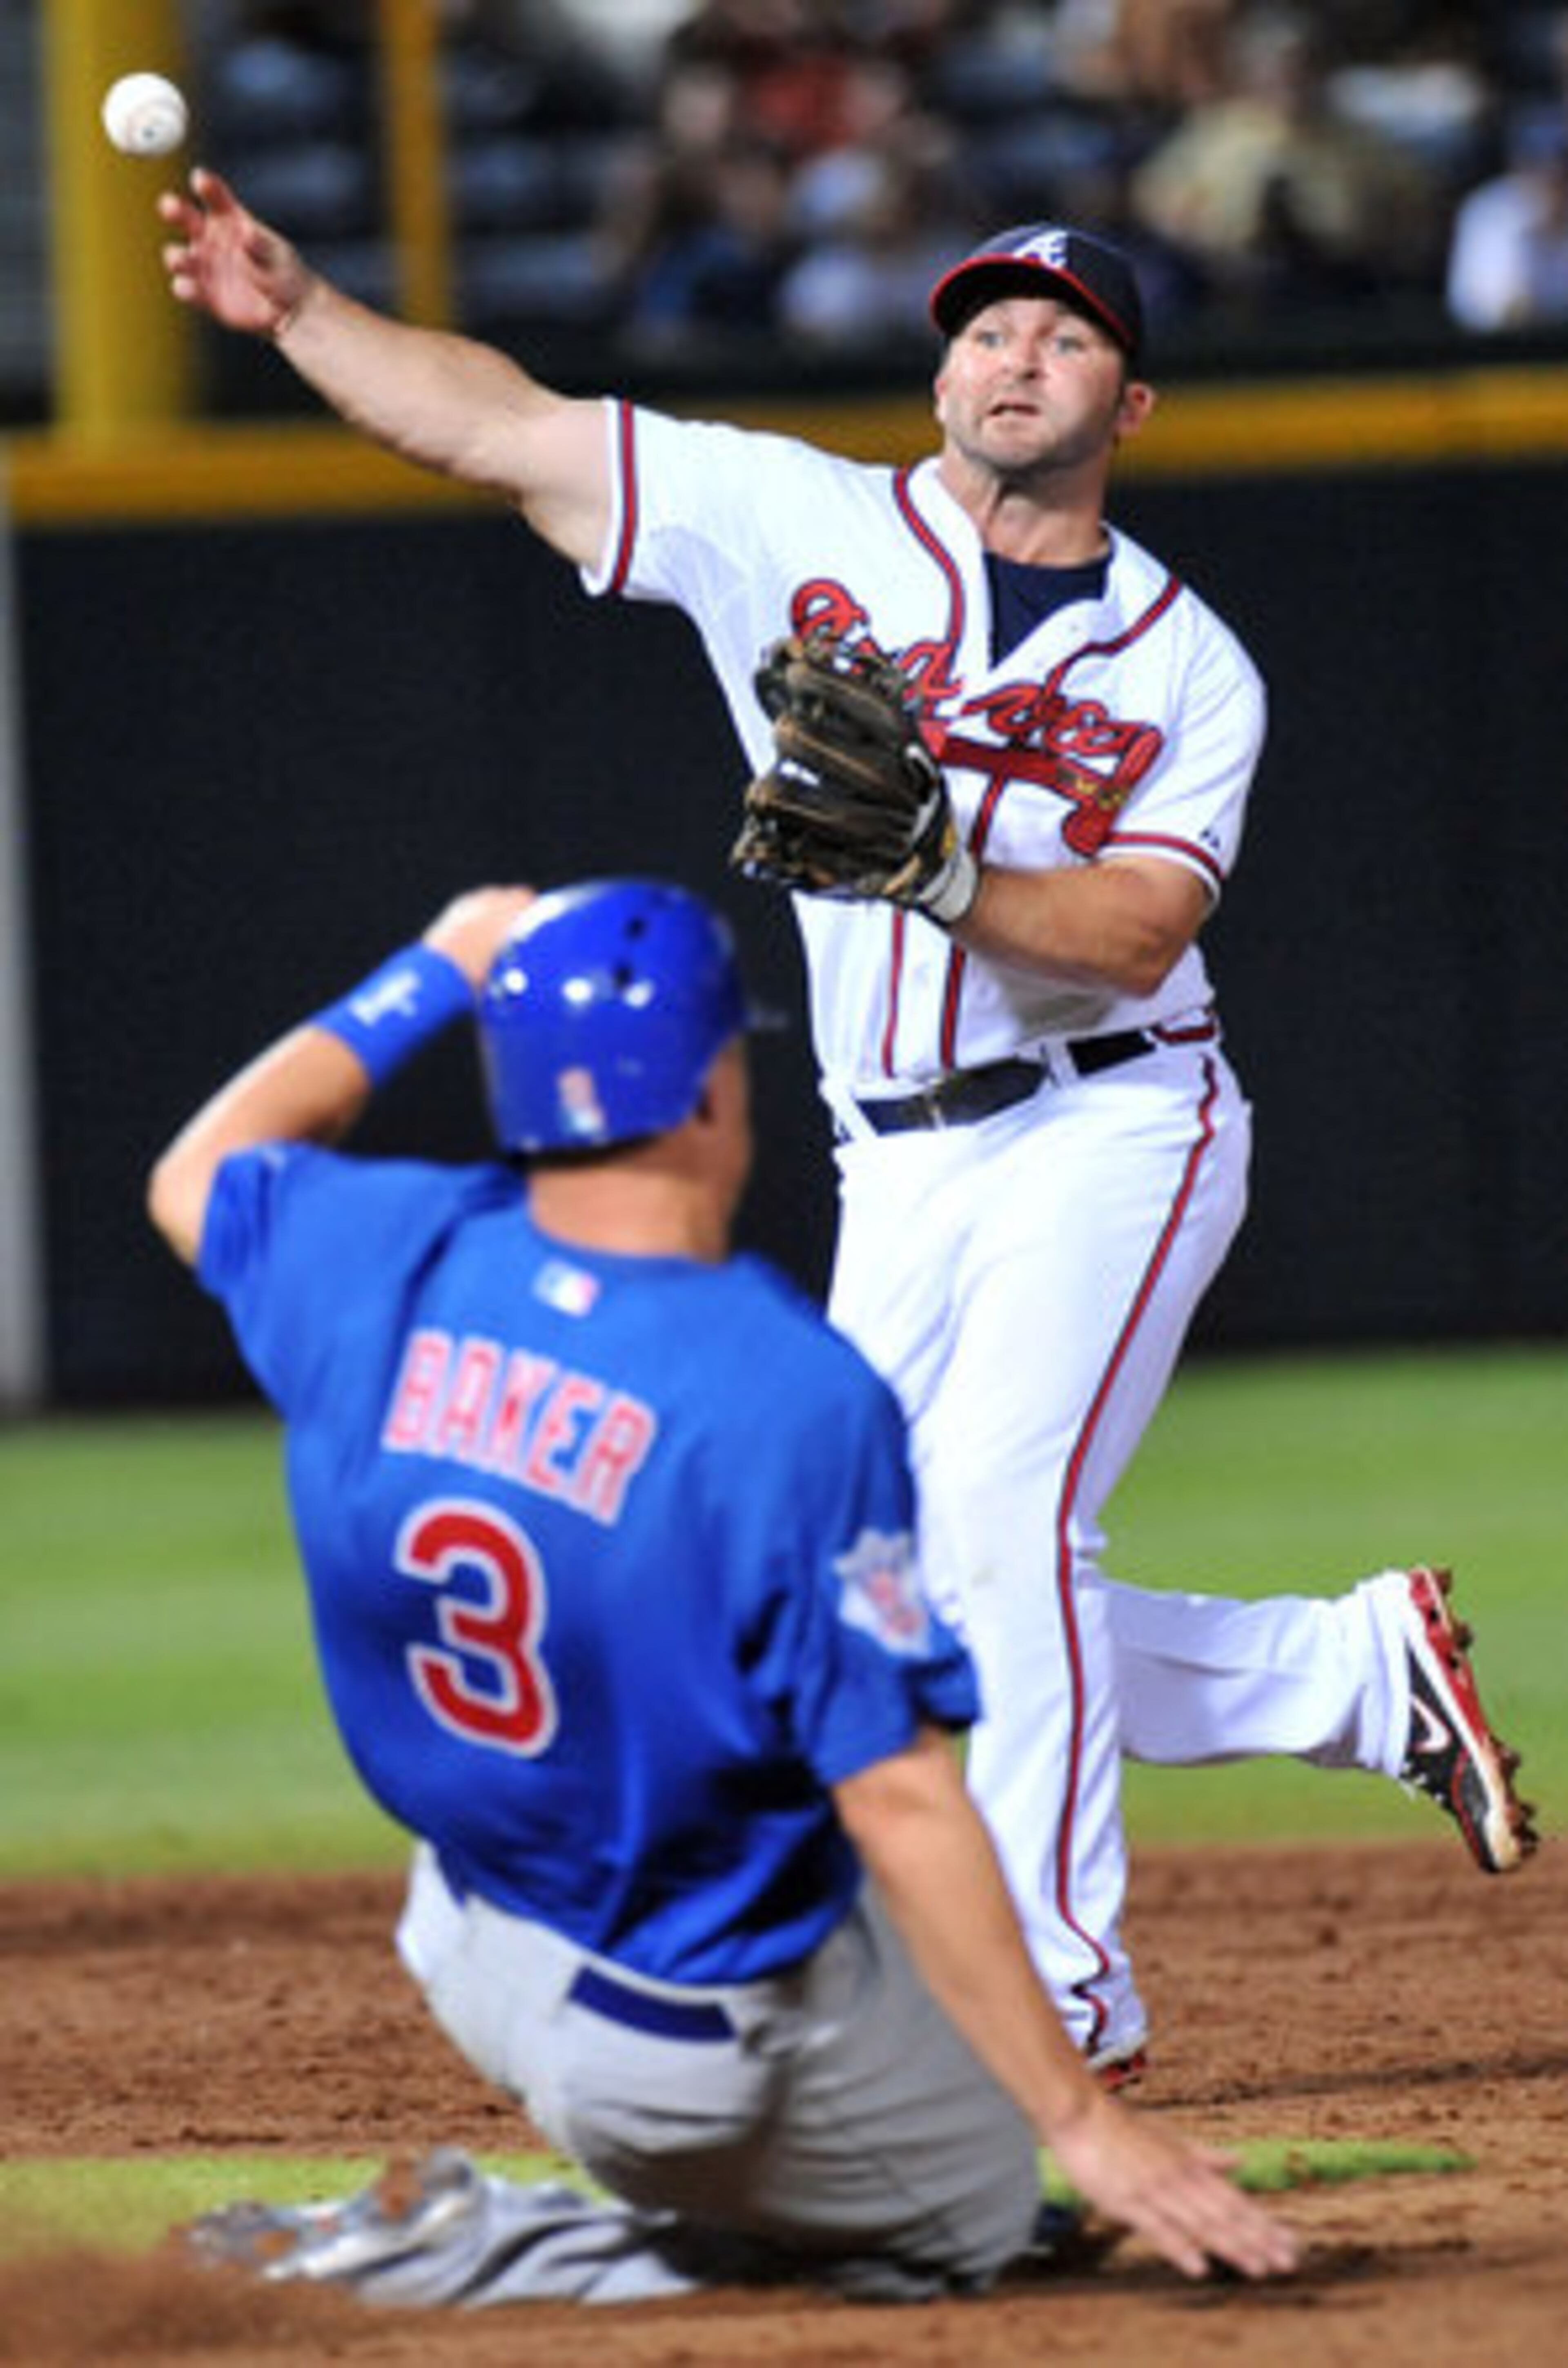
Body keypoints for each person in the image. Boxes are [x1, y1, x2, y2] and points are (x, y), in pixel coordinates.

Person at [156, 176, 1536, 2080]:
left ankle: (1069, 1997)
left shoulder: (1186, 662)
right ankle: (1342, 1671)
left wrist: (944, 865)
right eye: (988, 326)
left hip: (1115, 1122)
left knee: (990, 1512)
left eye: (1067, 336)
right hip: (891, 1149)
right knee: (834, 1562)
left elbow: (1140, 929)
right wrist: (303, 310)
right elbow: (499, 424)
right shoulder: (791, 519)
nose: (1017, 354)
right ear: (943, 364)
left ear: (1128, 407)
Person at [145, 875, 1301, 2306]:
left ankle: (796, 2173)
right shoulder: (780, 1392)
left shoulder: (382, 1254)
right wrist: (1085, 2124)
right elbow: (898, 1791)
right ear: (708, 1097)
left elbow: (194, 1173)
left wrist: (440, 963)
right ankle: (485, 2243)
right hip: (671, 2050)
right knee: (985, 2207)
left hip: (465, 1929)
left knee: (836, 1891)